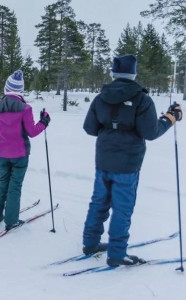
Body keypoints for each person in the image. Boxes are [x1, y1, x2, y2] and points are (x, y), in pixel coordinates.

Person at [82, 54, 182, 267]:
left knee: (99, 201)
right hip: (127, 164)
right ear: (133, 73)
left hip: (104, 159)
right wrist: (170, 118)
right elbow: (150, 132)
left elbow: (90, 128)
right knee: (122, 207)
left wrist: (109, 128)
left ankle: (90, 242)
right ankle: (117, 253)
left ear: (113, 73)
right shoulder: (142, 99)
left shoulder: (101, 97)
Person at [0, 70, 50, 230]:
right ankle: (11, 220)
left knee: (3, 184)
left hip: (2, 154)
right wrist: (44, 121)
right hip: (20, 155)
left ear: (6, 88)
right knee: (14, 186)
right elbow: (32, 132)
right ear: (20, 90)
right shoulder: (25, 108)